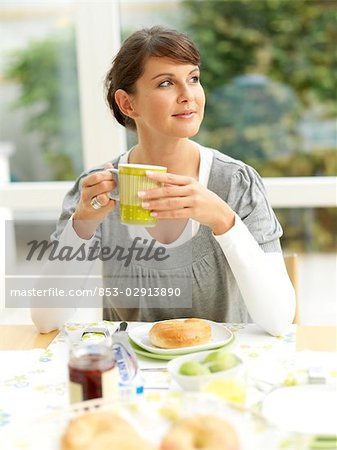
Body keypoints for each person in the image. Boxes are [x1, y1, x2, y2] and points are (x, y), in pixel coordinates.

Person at [31, 26, 295, 336]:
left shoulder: (236, 182)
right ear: (128, 104)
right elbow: (46, 320)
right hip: (129, 374)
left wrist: (225, 221)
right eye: (167, 83)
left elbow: (279, 320)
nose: (188, 96)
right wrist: (82, 227)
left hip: (217, 375)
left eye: (194, 79)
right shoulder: (98, 190)